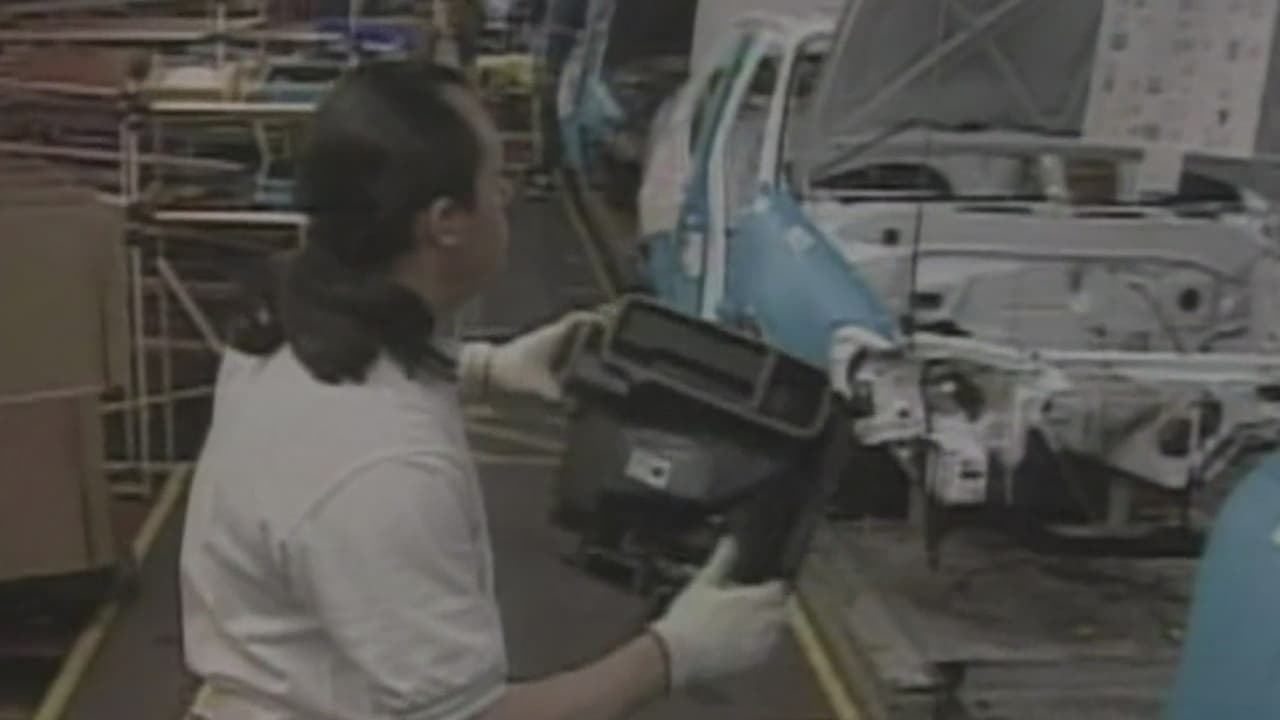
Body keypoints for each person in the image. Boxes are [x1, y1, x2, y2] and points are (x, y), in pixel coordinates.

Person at [179, 59, 789, 720]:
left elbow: (346, 384)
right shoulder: (384, 469)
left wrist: (484, 369)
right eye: (497, 180)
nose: (509, 197)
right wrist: (675, 653)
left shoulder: (287, 316)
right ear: (445, 221)